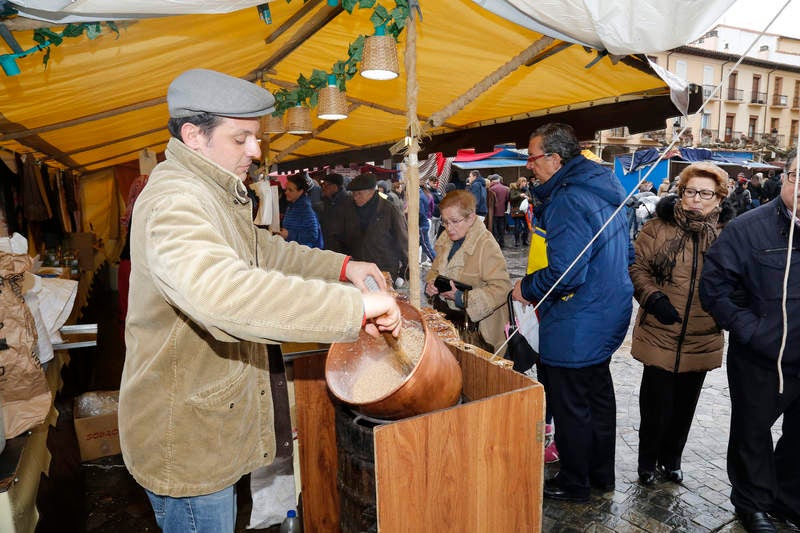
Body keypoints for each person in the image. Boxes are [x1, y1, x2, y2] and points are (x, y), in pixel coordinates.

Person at [118, 69, 402, 533]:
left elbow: (262, 250)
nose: (255, 150)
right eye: (241, 138)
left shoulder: (211, 189)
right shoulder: (176, 199)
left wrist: (343, 267)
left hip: (209, 424)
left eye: (255, 138)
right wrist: (355, 308)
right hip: (187, 436)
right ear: (194, 135)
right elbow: (222, 293)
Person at [511, 123, 633, 503]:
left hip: (579, 317)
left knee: (571, 405)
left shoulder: (568, 198)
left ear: (555, 158)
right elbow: (626, 255)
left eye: (532, 158)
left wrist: (525, 287)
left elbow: (566, 272)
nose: (529, 166)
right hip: (607, 309)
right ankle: (600, 475)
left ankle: (575, 481)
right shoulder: (600, 186)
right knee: (597, 397)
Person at [700, 152, 800, 533]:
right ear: (786, 178)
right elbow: (715, 288)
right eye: (798, 175)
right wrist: (753, 331)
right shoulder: (746, 228)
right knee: (753, 431)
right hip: (762, 357)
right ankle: (752, 503)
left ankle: (788, 500)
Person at [628, 162, 734, 487]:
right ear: (681, 192)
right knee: (654, 405)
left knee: (685, 407)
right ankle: (647, 463)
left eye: (705, 193)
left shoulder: (729, 235)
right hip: (659, 331)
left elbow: (740, 279)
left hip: (702, 335)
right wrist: (653, 298)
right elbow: (637, 268)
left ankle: (671, 460)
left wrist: (724, 309)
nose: (696, 200)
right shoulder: (658, 227)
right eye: (690, 192)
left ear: (719, 198)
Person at [425, 190, 511, 352]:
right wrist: (431, 285)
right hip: (449, 326)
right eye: (445, 222)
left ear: (471, 218)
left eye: (455, 221)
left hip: (479, 334)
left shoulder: (486, 245)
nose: (449, 228)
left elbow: (502, 288)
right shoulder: (445, 239)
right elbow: (434, 271)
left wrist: (461, 298)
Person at [346, 172, 409, 284]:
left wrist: (404, 271)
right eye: (353, 194)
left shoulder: (389, 210)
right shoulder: (350, 210)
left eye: (359, 194)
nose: (355, 197)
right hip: (360, 269)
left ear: (371, 192)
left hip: (384, 269)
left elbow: (403, 241)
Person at [279, 173, 323, 248]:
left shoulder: (306, 209)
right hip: (293, 251)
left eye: (290, 190)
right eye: (286, 189)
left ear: (300, 191)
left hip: (303, 254)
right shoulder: (291, 206)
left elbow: (313, 236)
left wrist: (289, 234)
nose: (286, 192)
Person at [319, 173, 357, 255]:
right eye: (322, 184)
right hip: (327, 248)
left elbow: (352, 229)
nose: (323, 187)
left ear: (335, 186)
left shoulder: (350, 202)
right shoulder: (324, 201)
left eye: (326, 185)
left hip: (344, 251)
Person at [488, 174, 510, 248]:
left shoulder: (491, 189)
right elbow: (507, 199)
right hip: (503, 211)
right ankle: (502, 242)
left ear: (492, 181)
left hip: (493, 212)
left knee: (494, 228)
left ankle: (495, 243)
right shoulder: (505, 188)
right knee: (501, 228)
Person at [419, 181, 436, 265]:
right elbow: (432, 207)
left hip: (422, 224)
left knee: (426, 246)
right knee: (423, 245)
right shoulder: (426, 195)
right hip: (427, 220)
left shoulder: (420, 196)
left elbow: (420, 213)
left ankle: (437, 262)